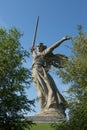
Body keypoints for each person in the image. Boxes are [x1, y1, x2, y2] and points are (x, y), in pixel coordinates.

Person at [30, 36, 70, 117]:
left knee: (49, 88)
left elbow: (53, 47)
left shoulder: (44, 53)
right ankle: (43, 109)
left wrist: (62, 39)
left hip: (41, 71)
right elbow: (33, 53)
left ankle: (52, 105)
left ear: (42, 48)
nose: (38, 47)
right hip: (35, 72)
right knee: (40, 91)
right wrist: (32, 50)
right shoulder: (36, 55)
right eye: (37, 46)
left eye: (39, 46)